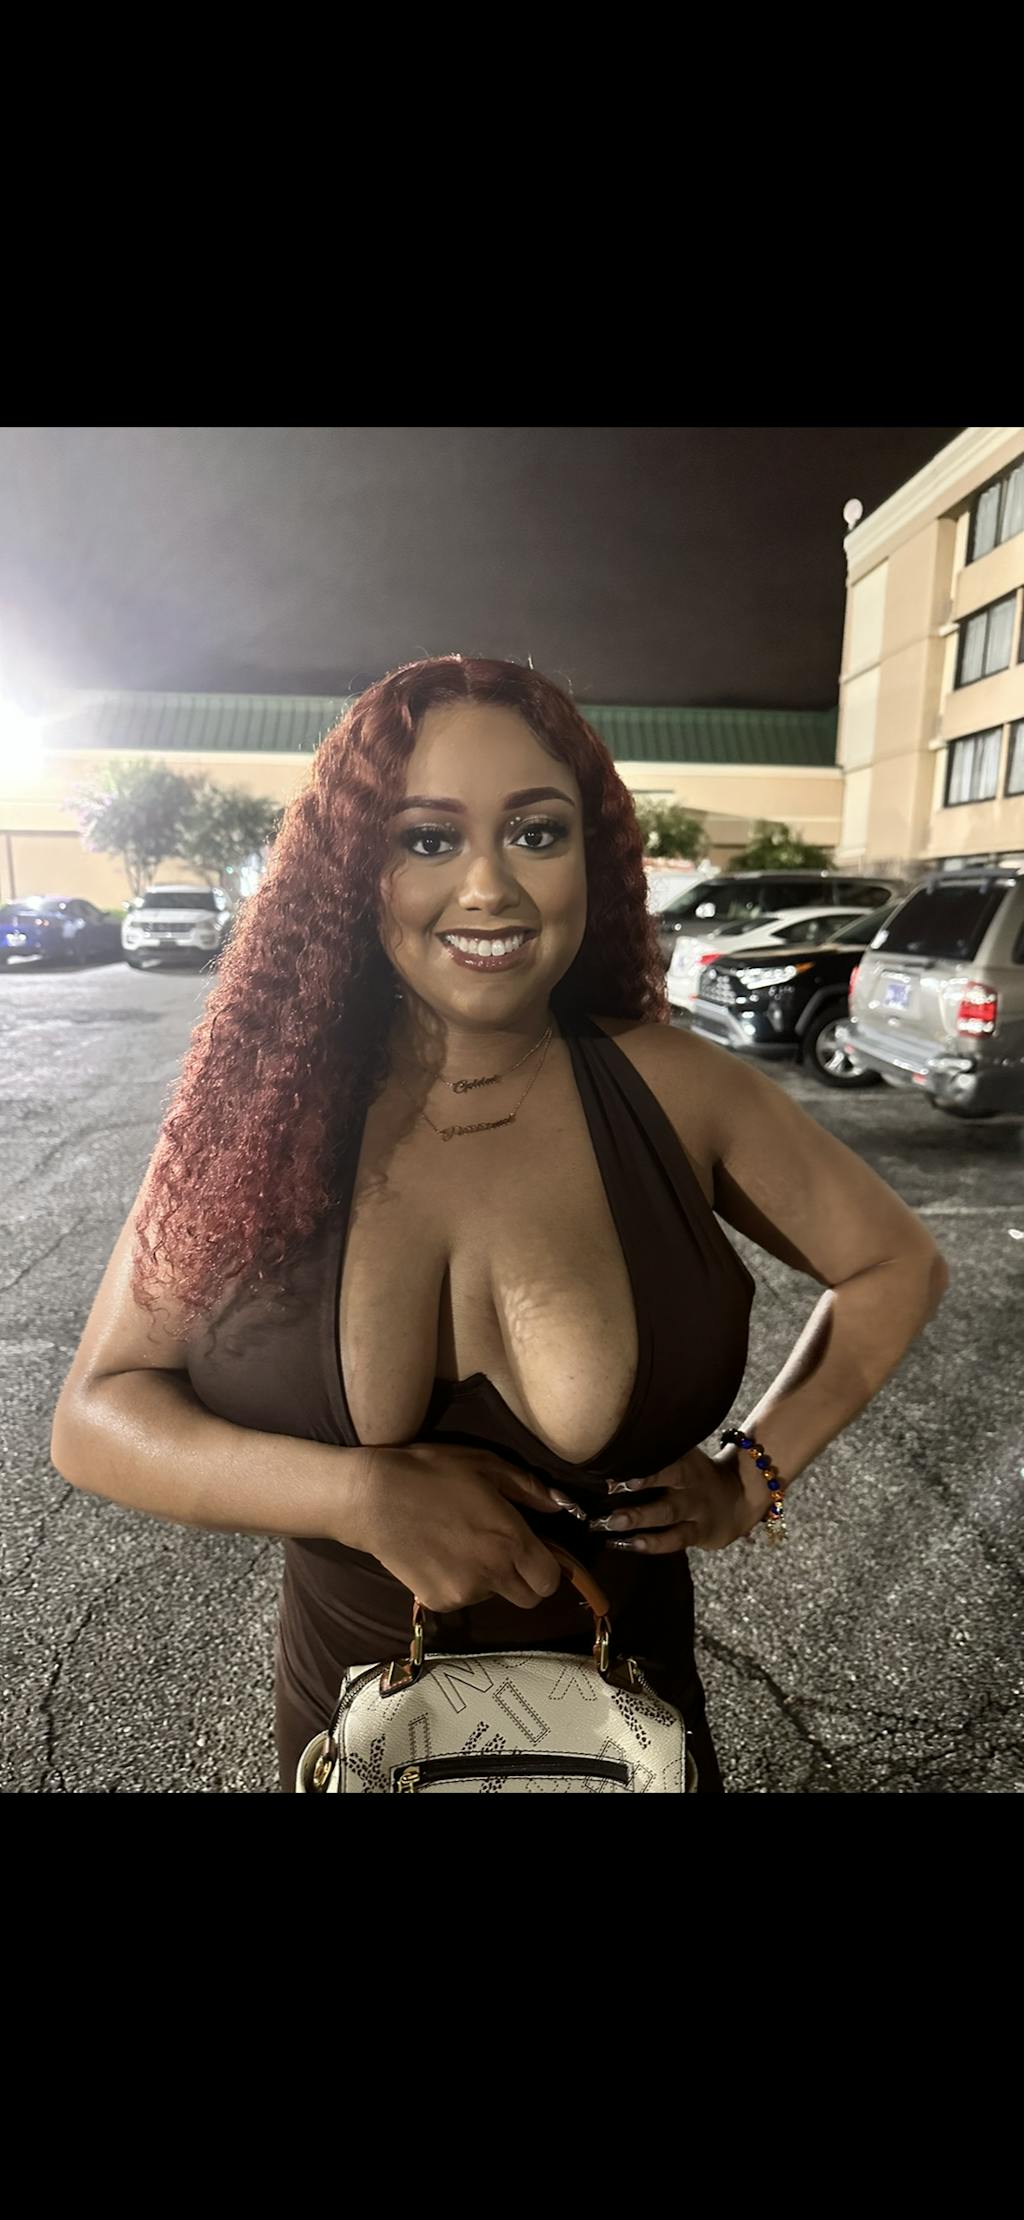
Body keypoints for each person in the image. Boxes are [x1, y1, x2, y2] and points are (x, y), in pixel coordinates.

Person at [50, 657, 949, 1793]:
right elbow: (94, 1416)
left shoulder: (679, 1091)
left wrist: (750, 1478)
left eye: (536, 833)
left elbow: (894, 1264)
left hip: (629, 1739)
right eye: (428, 839)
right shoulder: (263, 1109)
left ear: (591, 857)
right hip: (357, 1737)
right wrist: (355, 1495)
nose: (489, 887)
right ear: (354, 870)